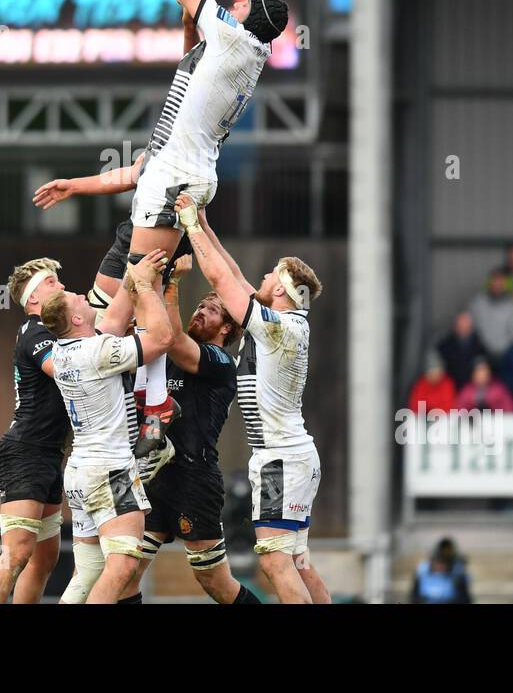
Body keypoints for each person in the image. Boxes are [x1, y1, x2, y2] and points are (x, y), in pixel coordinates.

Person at [39, 0, 289, 456]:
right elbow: (190, 8)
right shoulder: (231, 51)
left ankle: (139, 417)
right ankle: (134, 409)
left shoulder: (232, 40)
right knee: (127, 300)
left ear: (249, 19)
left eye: (243, 4)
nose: (233, 5)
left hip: (176, 179)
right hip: (174, 176)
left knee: (130, 304)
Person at [175, 195, 330, 604]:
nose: (262, 276)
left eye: (270, 274)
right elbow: (235, 274)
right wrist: (205, 226)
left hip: (280, 458)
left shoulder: (278, 327)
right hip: (295, 455)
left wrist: (189, 224)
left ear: (281, 288)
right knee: (297, 562)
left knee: (276, 563)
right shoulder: (285, 321)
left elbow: (225, 283)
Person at [122, 255, 261, 604]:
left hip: (193, 476)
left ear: (226, 327)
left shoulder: (220, 362)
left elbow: (175, 342)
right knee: (126, 571)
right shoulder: (167, 353)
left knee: (214, 582)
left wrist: (172, 284)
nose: (200, 311)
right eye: (200, 306)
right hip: (155, 474)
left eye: (211, 310)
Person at [38, 251, 174, 604]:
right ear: (79, 316)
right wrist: (145, 287)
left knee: (88, 574)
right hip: (109, 471)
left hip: (80, 472)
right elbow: (161, 339)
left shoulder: (64, 349)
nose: (83, 295)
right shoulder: (97, 351)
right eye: (78, 299)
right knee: (124, 565)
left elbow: (111, 320)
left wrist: (133, 275)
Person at [0, 258, 69, 604]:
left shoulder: (52, 331)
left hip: (48, 454)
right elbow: (61, 369)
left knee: (45, 557)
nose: (61, 286)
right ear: (33, 300)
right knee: (16, 554)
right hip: (25, 451)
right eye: (51, 283)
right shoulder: (36, 331)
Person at [469, 268, 513, 360]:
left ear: (505, 285)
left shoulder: (512, 306)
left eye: (501, 282)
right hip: (481, 354)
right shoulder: (477, 303)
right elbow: (469, 327)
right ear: (489, 282)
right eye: (495, 281)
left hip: (505, 355)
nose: (497, 285)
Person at [410, 538, 472, 604]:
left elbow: (465, 598)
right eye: (437, 562)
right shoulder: (422, 572)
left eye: (443, 563)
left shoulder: (458, 575)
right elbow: (414, 597)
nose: (440, 566)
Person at [435, 310, 482, 387]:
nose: (464, 326)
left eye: (466, 323)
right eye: (461, 323)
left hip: (470, 389)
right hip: (449, 386)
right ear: (456, 325)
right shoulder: (445, 344)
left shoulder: (478, 346)